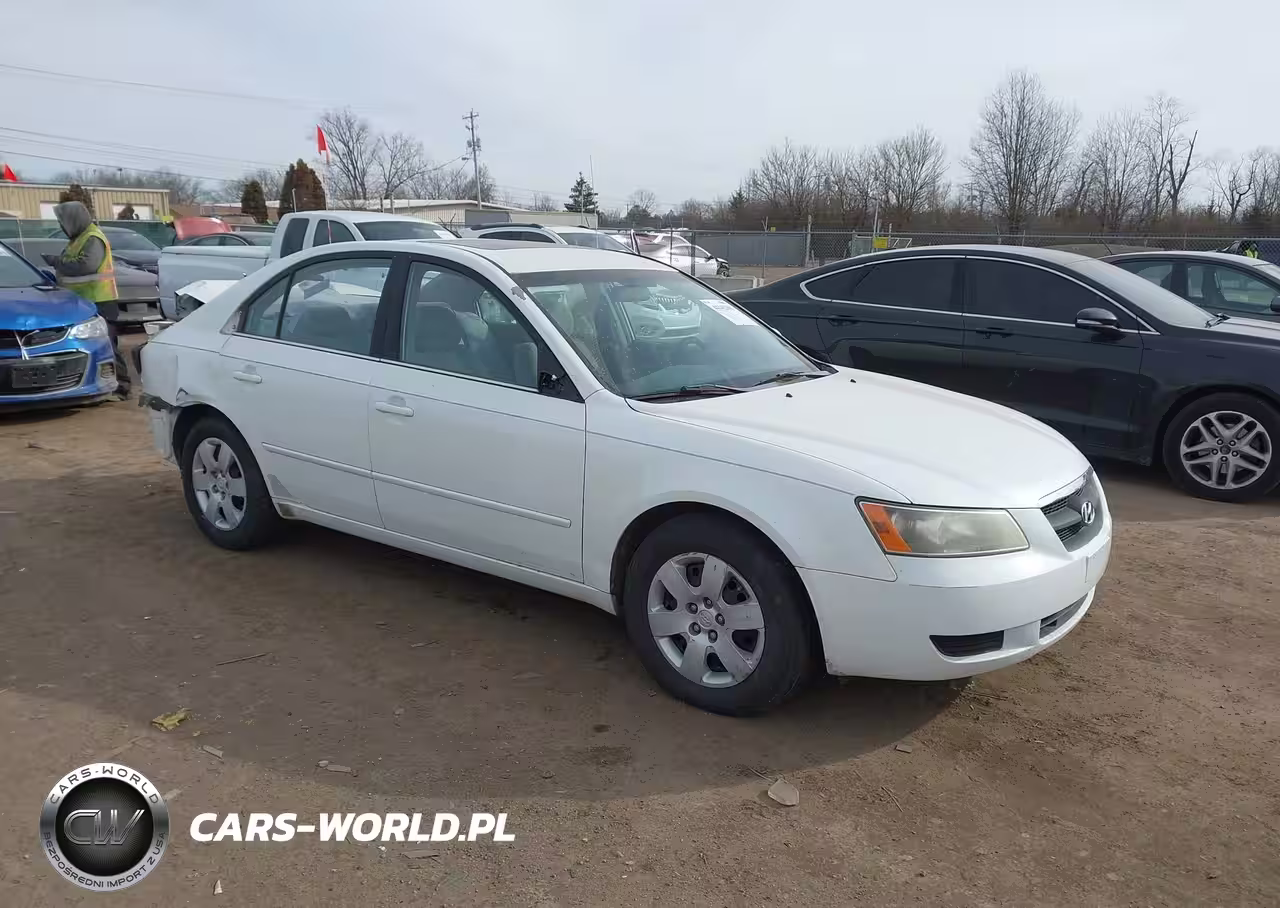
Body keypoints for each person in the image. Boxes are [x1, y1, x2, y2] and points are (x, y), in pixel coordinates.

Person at [43, 201, 130, 399]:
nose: (61, 226)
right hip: (82, 303)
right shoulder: (79, 238)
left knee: (107, 345)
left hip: (99, 301)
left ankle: (122, 387)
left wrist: (57, 261)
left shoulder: (92, 237)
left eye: (62, 221)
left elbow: (86, 266)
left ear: (73, 219)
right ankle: (99, 384)